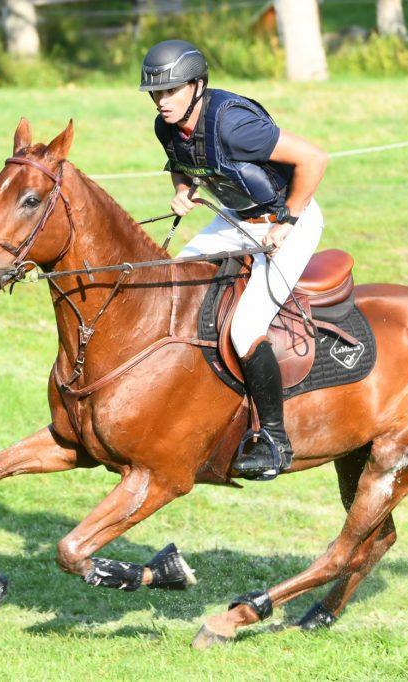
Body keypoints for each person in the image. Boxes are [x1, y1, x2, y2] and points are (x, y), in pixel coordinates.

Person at [141, 39, 329, 481]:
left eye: (171, 91)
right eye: (156, 93)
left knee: (246, 327)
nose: (162, 101)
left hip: (289, 220)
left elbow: (314, 159)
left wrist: (288, 220)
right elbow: (182, 164)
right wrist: (182, 191)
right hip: (237, 218)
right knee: (174, 286)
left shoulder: (234, 125)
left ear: (198, 86)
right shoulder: (165, 126)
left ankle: (275, 441)